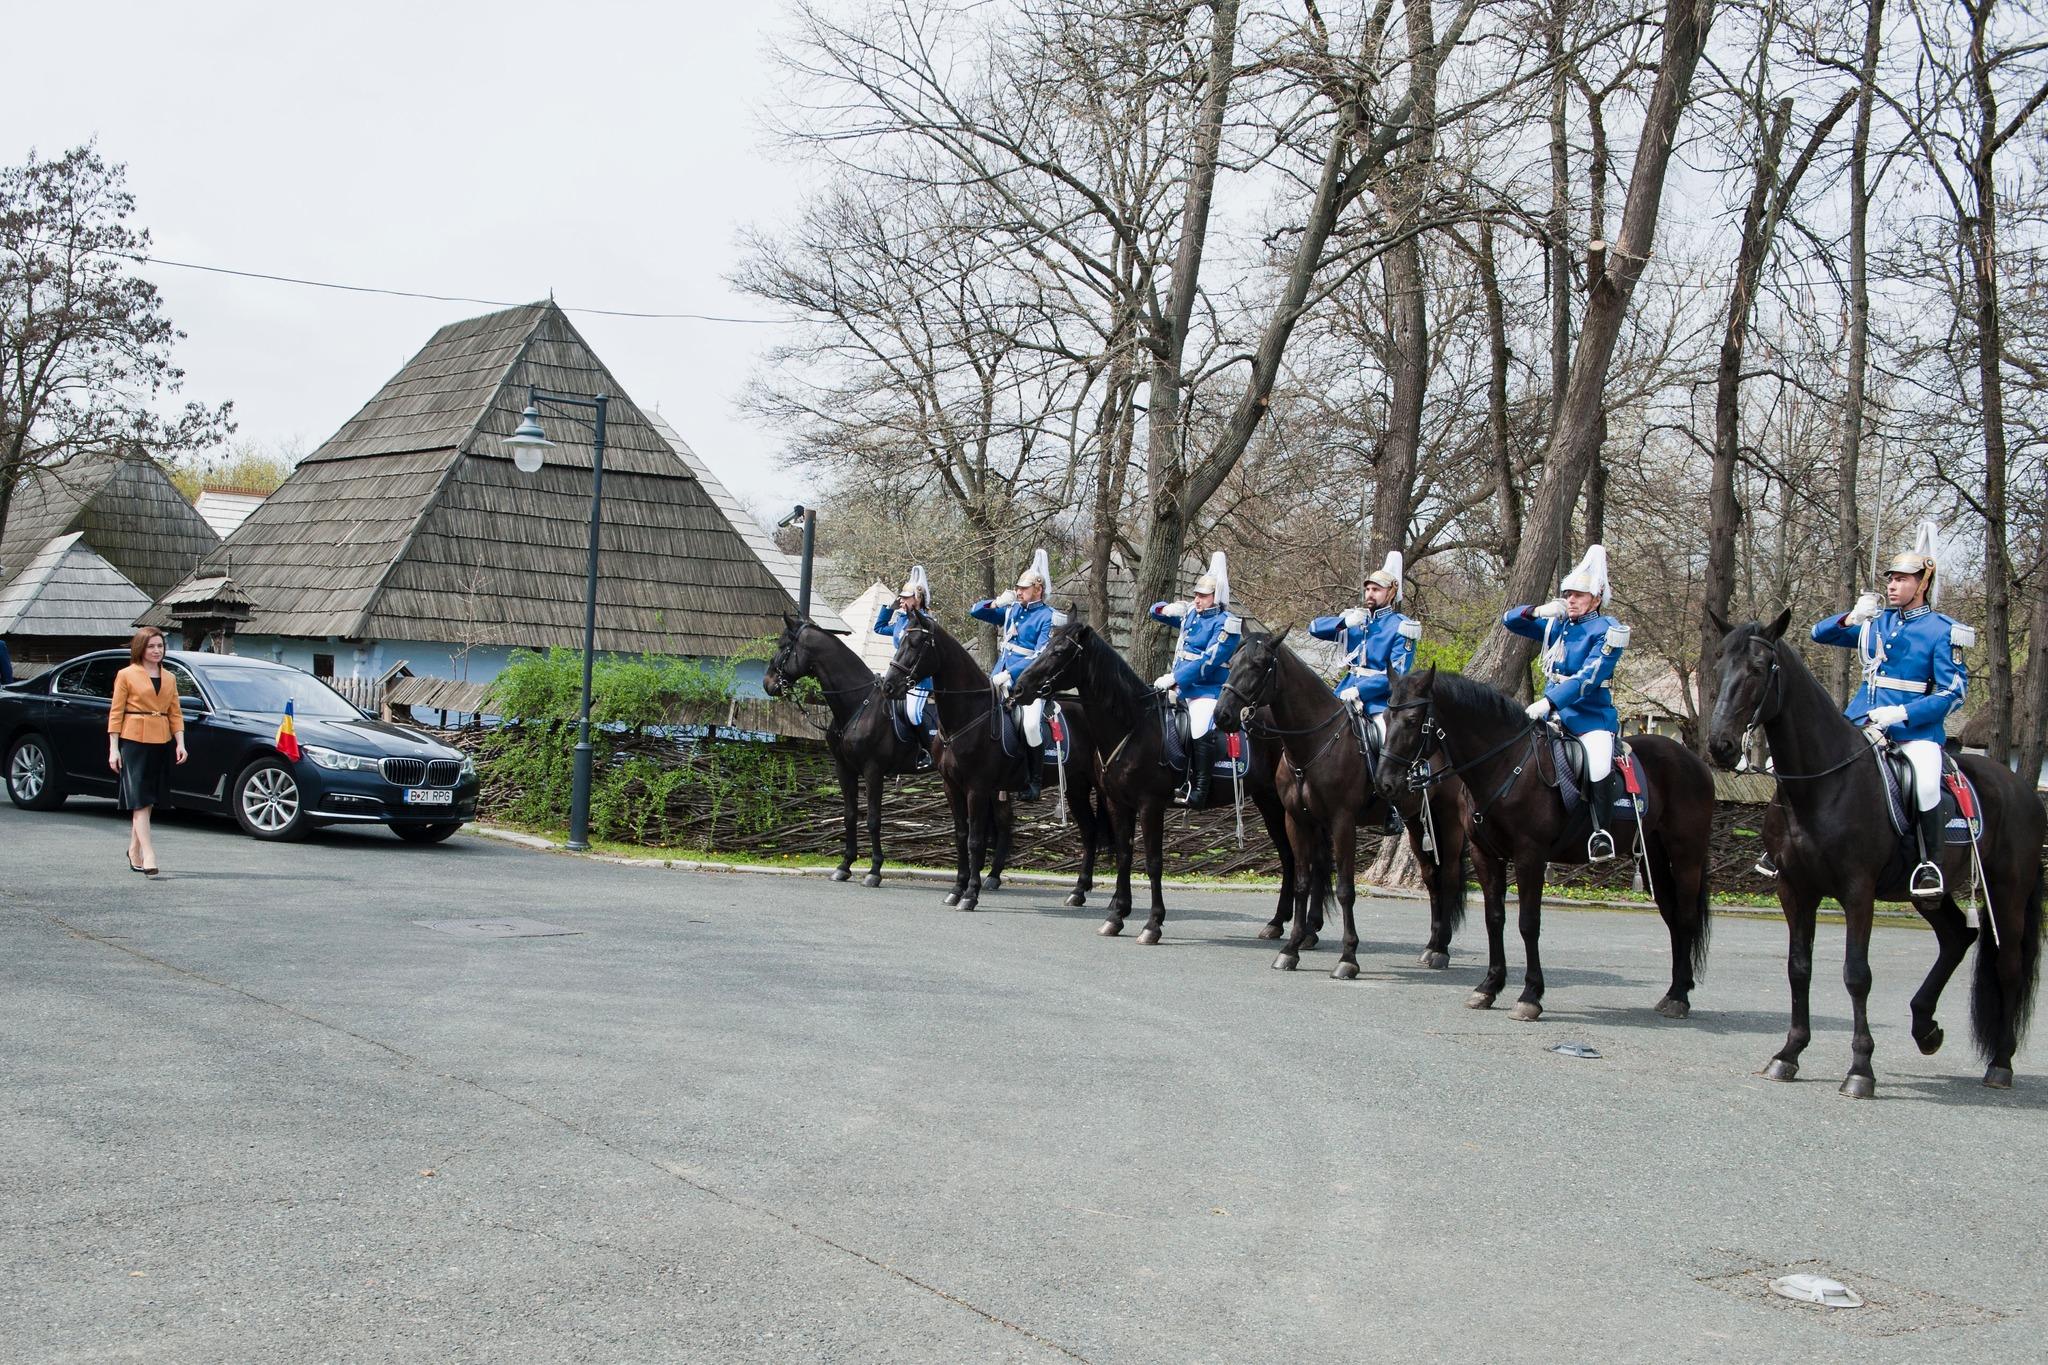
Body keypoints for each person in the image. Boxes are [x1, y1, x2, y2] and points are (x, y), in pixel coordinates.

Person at [1810, 520, 1970, 896]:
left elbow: (1954, 693)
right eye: (1891, 579)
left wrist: (1904, 713)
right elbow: (1819, 634)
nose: (1893, 585)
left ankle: (1929, 865)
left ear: (1923, 584)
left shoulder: (1943, 631)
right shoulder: (1875, 623)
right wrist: (1852, 616)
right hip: (1860, 724)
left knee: (1927, 784)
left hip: (1913, 732)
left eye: (1903, 579)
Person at [1502, 544, 1630, 859]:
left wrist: (1550, 702)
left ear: (1596, 599)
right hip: (1552, 716)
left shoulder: (1608, 631)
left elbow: (1588, 677)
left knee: (1599, 763)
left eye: (1579, 595)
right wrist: (1537, 611)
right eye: (1568, 594)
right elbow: (1509, 621)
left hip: (1590, 717)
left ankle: (1600, 833)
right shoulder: (1557, 625)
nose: (1571, 600)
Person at [1308, 550, 1422, 831]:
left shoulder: (1402, 627)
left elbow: (1397, 673)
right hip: (1343, 690)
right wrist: (1344, 622)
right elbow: (1313, 628)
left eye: (1377, 589)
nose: (1370, 594)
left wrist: (1361, 692)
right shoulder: (1357, 620)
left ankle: (1390, 807)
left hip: (1378, 699)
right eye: (1368, 588)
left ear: (1391, 592)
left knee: (1386, 739)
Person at [1148, 550, 1244, 806]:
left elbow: (1208, 662)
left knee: (1200, 726)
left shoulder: (1227, 625)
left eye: (1203, 595)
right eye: (1196, 595)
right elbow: (1153, 612)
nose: (1197, 599)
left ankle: (1200, 788)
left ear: (1217, 597)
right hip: (1181, 687)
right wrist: (1167, 607)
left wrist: (1175, 678)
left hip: (1208, 689)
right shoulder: (1191, 614)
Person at [969, 549, 1057, 799]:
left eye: (1024, 589)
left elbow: (1041, 656)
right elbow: (975, 612)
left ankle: (1034, 781)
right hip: (998, 677)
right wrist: (996, 603)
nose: (1019, 592)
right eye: (1018, 588)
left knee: (1030, 725)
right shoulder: (1012, 610)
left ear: (1038, 589)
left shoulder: (1047, 617)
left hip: (1028, 684)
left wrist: (1011, 673)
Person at [107, 627, 187, 877]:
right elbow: (116, 713)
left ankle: (133, 849)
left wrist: (180, 743)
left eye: (160, 646)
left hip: (161, 739)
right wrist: (113, 749)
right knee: (139, 799)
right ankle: (149, 854)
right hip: (133, 741)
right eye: (151, 646)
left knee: (148, 799)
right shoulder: (126, 675)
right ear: (141, 648)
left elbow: (175, 712)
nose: (156, 651)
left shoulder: (170, 678)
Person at [874, 565, 934, 728]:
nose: (901, 600)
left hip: (918, 680)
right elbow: (879, 627)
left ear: (918, 599)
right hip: (899, 676)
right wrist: (889, 606)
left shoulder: (926, 624)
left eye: (906, 597)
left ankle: (927, 749)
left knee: (913, 715)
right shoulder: (901, 621)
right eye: (900, 597)